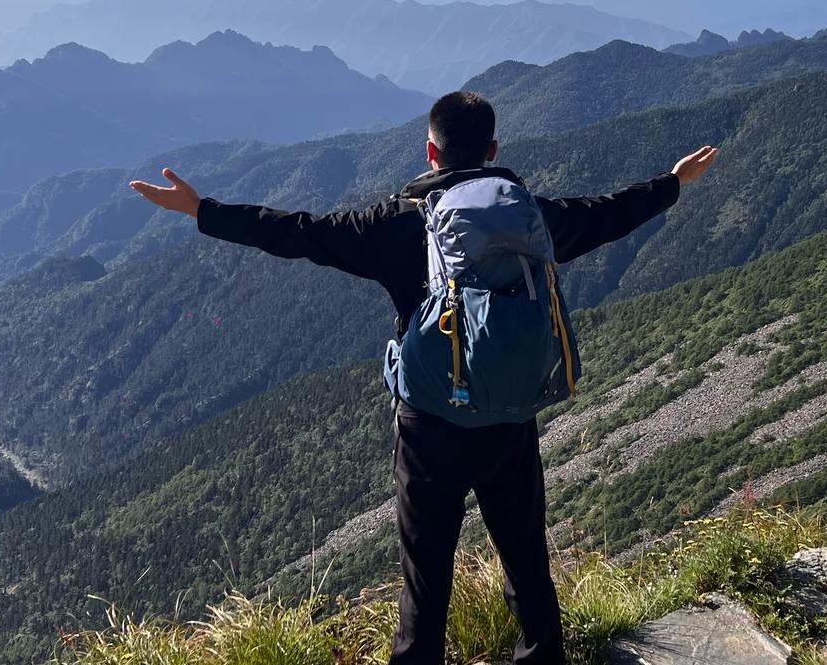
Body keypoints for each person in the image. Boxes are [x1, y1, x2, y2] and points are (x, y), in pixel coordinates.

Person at [130, 90, 718, 665]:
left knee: (426, 576)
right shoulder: (530, 218)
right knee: (525, 560)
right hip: (510, 416)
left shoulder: (393, 223)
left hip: (430, 426)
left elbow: (300, 231)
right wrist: (672, 182)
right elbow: (607, 214)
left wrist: (202, 210)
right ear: (492, 149)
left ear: (431, 152)